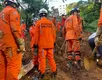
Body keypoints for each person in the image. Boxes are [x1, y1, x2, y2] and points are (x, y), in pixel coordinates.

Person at [0, 0, 25, 80]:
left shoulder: (1, 13)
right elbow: (15, 29)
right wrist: (21, 43)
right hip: (12, 45)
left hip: (2, 45)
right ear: (14, 4)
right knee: (13, 67)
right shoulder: (12, 11)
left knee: (2, 67)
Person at [35, 8, 57, 79]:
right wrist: (54, 42)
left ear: (40, 15)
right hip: (50, 45)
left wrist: (35, 44)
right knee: (51, 58)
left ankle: (42, 73)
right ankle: (54, 71)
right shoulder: (51, 23)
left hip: (42, 45)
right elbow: (54, 34)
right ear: (46, 15)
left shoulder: (38, 23)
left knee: (42, 59)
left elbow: (36, 35)